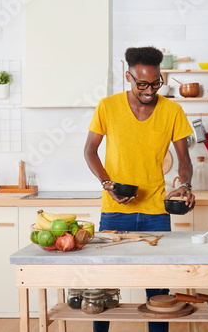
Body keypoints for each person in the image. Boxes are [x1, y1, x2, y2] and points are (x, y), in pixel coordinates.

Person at [84, 46, 195, 332]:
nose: (149, 90)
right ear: (128, 77)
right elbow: (90, 151)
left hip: (156, 213)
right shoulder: (107, 106)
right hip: (114, 212)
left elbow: (184, 159)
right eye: (142, 84)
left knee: (158, 292)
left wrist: (185, 185)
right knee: (103, 291)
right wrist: (107, 184)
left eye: (156, 83)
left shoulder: (172, 110)